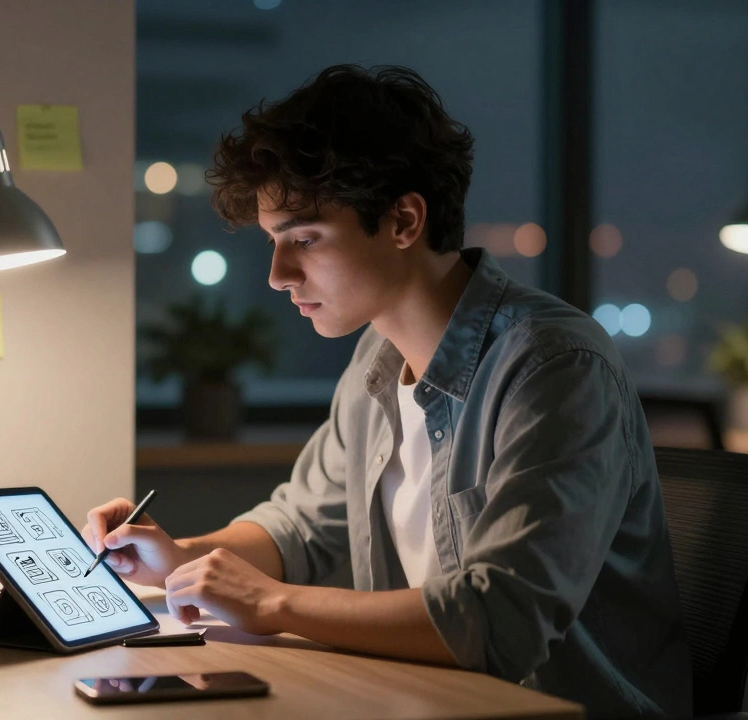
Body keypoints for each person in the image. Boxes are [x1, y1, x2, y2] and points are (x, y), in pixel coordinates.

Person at [85, 65, 692, 718]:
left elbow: (500, 621)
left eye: (305, 239)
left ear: (404, 220)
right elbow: (302, 528)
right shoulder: (376, 360)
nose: (278, 275)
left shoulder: (554, 366)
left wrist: (268, 603)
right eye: (273, 242)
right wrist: (179, 556)